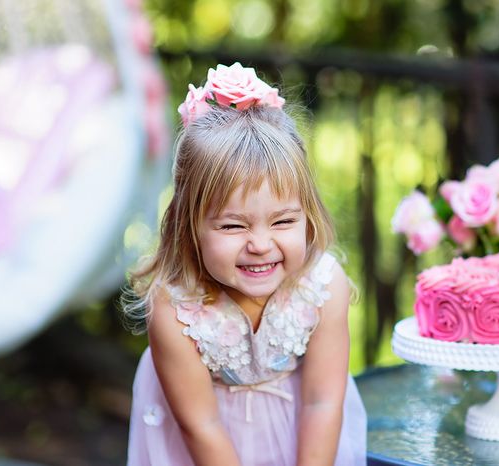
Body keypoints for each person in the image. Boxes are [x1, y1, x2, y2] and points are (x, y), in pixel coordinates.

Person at [124, 63, 367, 466]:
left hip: (304, 433)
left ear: (307, 215)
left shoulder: (324, 287)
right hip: (207, 445)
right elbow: (201, 426)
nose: (260, 244)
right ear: (189, 225)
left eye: (284, 221)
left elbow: (322, 403)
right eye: (233, 225)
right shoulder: (174, 310)